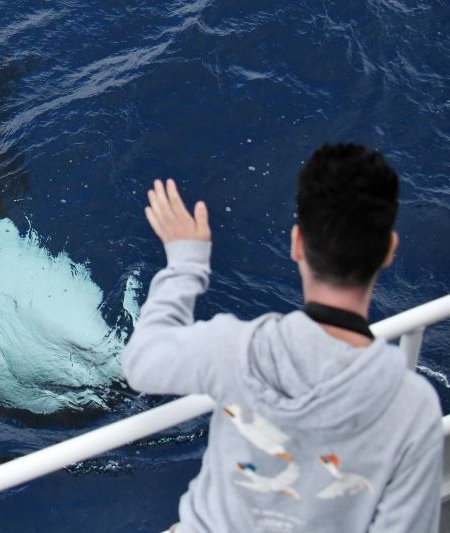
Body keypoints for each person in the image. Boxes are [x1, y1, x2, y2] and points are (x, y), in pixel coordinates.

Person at [121, 143, 444, 532]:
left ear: (296, 243)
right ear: (389, 251)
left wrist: (185, 264)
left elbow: (142, 363)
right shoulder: (413, 407)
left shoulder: (235, 349)